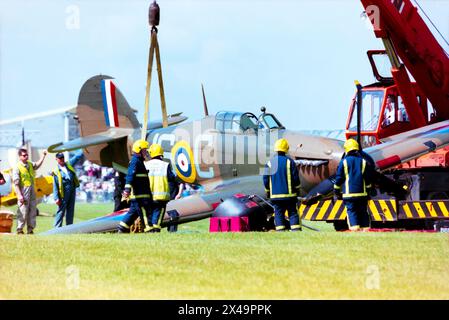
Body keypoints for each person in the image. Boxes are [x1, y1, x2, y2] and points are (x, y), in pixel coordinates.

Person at [333, 138, 375, 231]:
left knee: (351, 212)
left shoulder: (343, 162)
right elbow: (368, 179)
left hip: (349, 195)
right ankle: (366, 230)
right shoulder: (363, 162)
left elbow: (339, 178)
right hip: (362, 194)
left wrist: (336, 191)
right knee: (363, 212)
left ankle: (355, 229)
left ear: (346, 149)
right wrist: (368, 190)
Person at [263, 138, 302, 232]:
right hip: (290, 196)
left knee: (278, 214)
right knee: (293, 213)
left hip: (275, 196)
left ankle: (280, 231)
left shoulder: (269, 163)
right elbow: (295, 178)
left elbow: (265, 179)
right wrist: (298, 189)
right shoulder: (290, 162)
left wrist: (268, 192)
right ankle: (296, 231)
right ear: (286, 149)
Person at [117, 140, 152, 233]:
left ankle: (122, 228)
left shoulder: (139, 162)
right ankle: (150, 230)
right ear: (139, 150)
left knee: (132, 213)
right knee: (145, 212)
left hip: (140, 196)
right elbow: (130, 176)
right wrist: (127, 190)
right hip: (140, 196)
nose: (146, 152)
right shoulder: (135, 161)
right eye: (144, 150)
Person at [13, 148, 47, 234]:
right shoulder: (17, 167)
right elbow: (16, 183)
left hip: (32, 190)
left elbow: (37, 165)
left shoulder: (30, 164)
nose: (26, 156)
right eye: (24, 155)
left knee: (32, 211)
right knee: (23, 211)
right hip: (23, 191)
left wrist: (43, 156)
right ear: (20, 156)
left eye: (27, 155)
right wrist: (19, 195)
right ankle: (19, 230)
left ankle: (30, 230)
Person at [146, 143, 178, 233]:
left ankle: (150, 230)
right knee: (158, 215)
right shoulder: (165, 165)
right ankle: (155, 231)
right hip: (161, 196)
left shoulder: (146, 164)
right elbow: (171, 177)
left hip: (149, 195)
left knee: (150, 214)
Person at [52, 152, 83, 227]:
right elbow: (55, 185)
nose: (62, 159)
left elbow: (76, 157)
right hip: (63, 192)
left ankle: (69, 227)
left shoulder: (68, 164)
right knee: (61, 211)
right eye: (60, 158)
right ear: (56, 159)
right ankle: (57, 228)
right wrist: (56, 198)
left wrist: (84, 149)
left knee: (71, 209)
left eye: (62, 157)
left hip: (72, 189)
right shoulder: (56, 171)